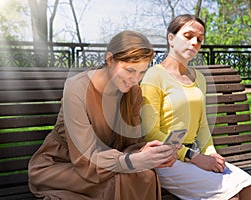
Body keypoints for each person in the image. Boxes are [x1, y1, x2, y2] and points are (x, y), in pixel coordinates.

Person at [28, 30, 178, 200]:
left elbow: (132, 143)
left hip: (106, 164)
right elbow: (85, 159)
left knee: (146, 176)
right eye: (130, 70)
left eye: (141, 72)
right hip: (62, 165)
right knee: (117, 183)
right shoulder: (76, 89)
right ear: (110, 60)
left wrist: (148, 153)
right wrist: (132, 161)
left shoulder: (133, 92)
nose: (134, 79)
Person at [140, 14, 251, 200]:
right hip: (166, 159)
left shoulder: (199, 78)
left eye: (200, 39)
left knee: (248, 186)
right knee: (230, 196)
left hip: (193, 155)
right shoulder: (154, 76)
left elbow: (202, 125)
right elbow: (151, 132)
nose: (195, 42)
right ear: (171, 38)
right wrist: (193, 157)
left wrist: (211, 153)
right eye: (188, 36)